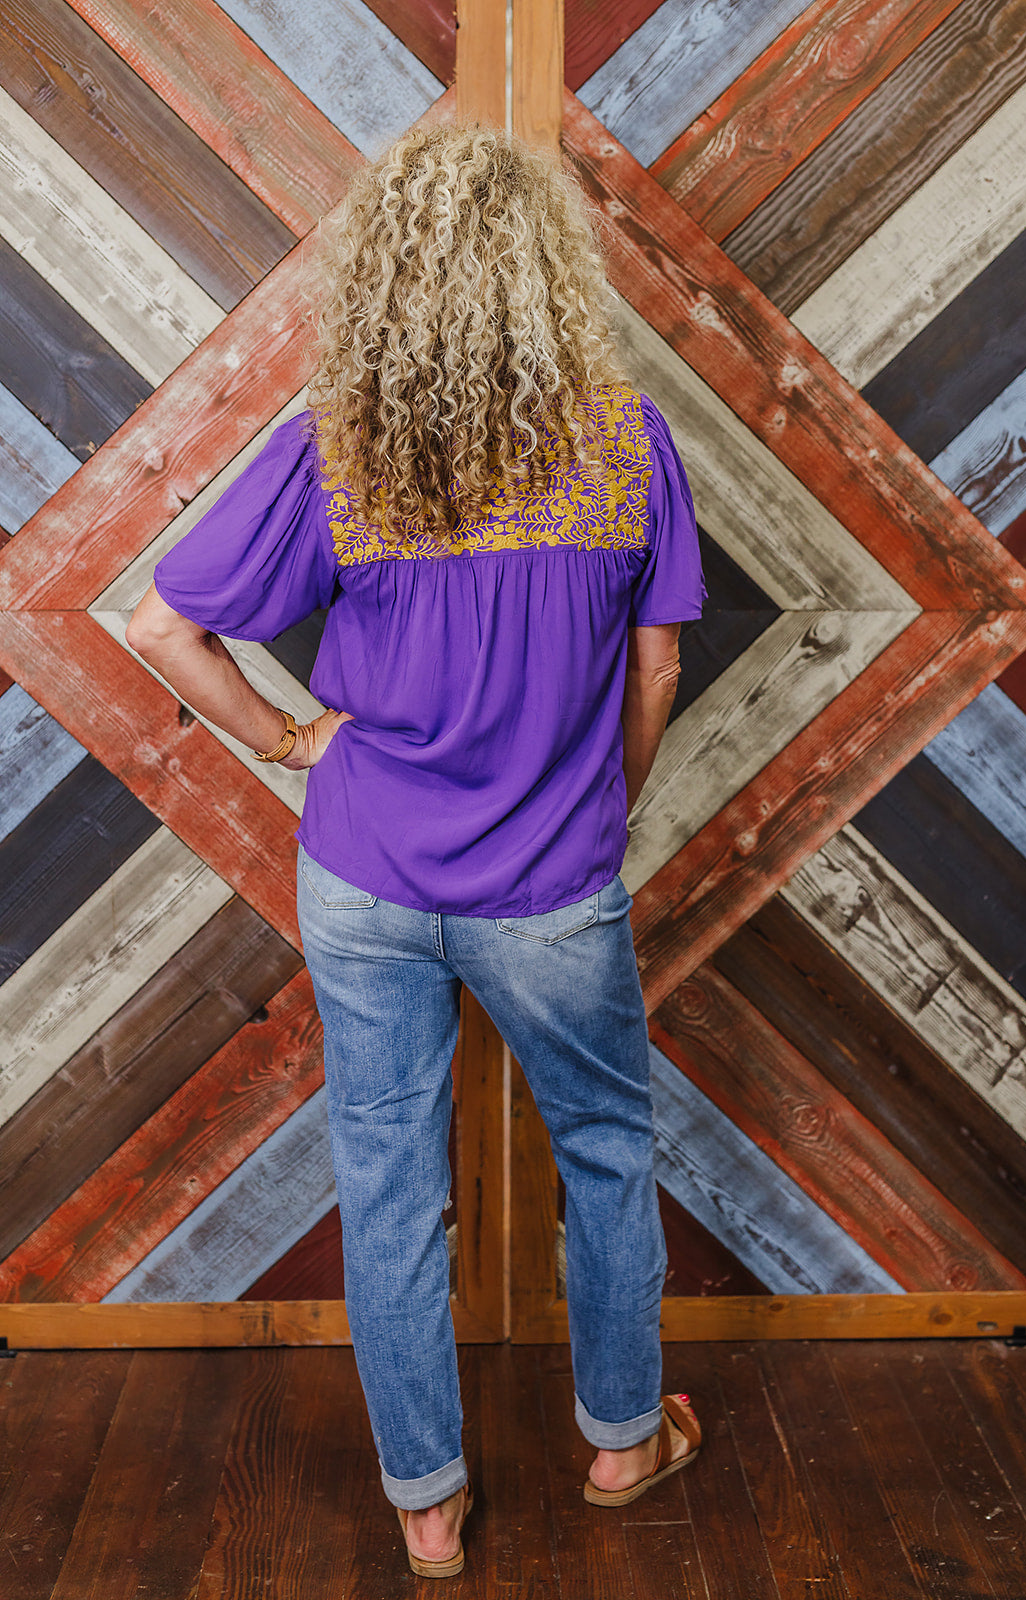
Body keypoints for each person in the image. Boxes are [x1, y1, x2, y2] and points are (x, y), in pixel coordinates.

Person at [126, 122, 707, 1580]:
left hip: (366, 876)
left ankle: (428, 1508)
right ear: (547, 278)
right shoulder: (626, 446)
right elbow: (654, 672)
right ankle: (624, 1443)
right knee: (606, 1148)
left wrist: (289, 739)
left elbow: (160, 625)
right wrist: (603, 806)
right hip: (552, 887)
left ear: (385, 279)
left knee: (387, 1176)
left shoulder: (346, 451)